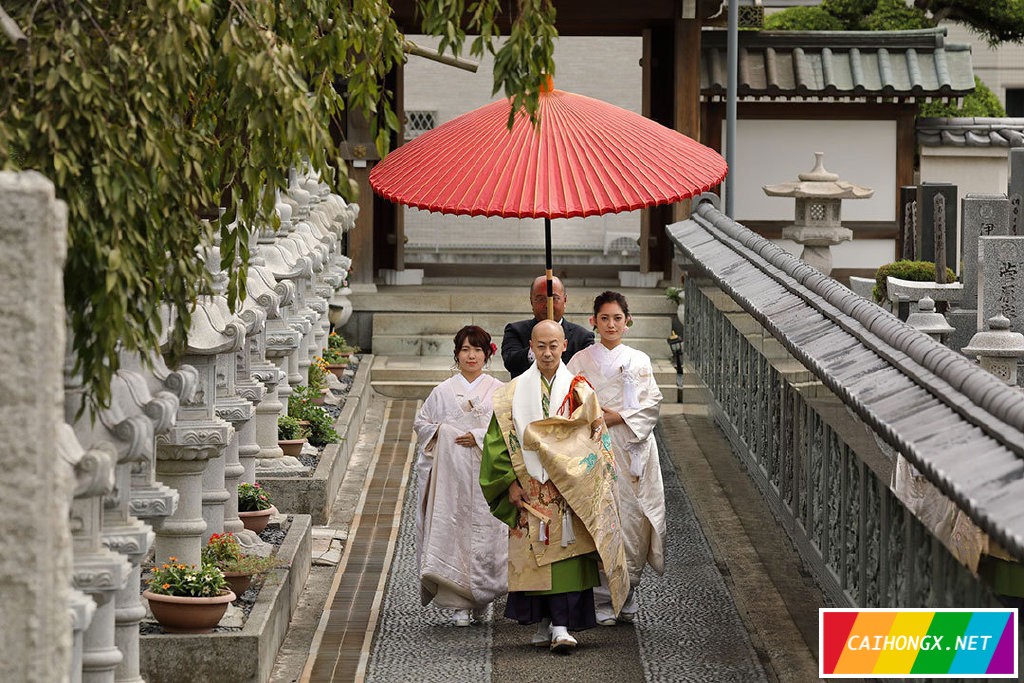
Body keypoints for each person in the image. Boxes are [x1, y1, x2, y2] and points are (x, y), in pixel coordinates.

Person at [480, 319, 628, 654]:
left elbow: (596, 437)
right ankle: (544, 623)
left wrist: (588, 478)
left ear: (564, 346)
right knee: (534, 562)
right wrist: (508, 483)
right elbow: (497, 441)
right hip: (530, 489)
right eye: (540, 346)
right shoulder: (510, 395)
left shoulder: (580, 390)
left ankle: (561, 626)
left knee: (567, 559)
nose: (547, 353)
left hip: (569, 490)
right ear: (530, 348)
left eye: (553, 345)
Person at [567, 291, 666, 626]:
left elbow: (652, 402)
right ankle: (604, 598)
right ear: (593, 321)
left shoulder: (640, 359)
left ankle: (628, 592)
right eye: (604, 318)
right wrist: (598, 417)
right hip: (595, 444)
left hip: (632, 447)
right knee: (598, 517)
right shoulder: (579, 360)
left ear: (628, 321)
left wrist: (620, 416)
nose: (611, 325)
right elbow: (568, 402)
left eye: (617, 318)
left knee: (633, 520)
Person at [413, 325, 509, 627]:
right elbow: (422, 424)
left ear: (487, 354)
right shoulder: (441, 392)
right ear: (456, 354)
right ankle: (459, 604)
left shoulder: (499, 390)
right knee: (452, 530)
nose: (471, 356)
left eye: (478, 350)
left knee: (488, 530)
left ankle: (483, 598)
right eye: (465, 349)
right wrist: (444, 432)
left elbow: (510, 428)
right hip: (450, 478)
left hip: (486, 474)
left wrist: (480, 436)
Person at [501, 275, 595, 378]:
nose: (547, 305)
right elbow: (511, 362)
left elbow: (589, 372)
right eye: (541, 299)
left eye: (554, 299)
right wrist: (537, 348)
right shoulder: (515, 330)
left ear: (565, 300)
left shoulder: (582, 337)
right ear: (531, 302)